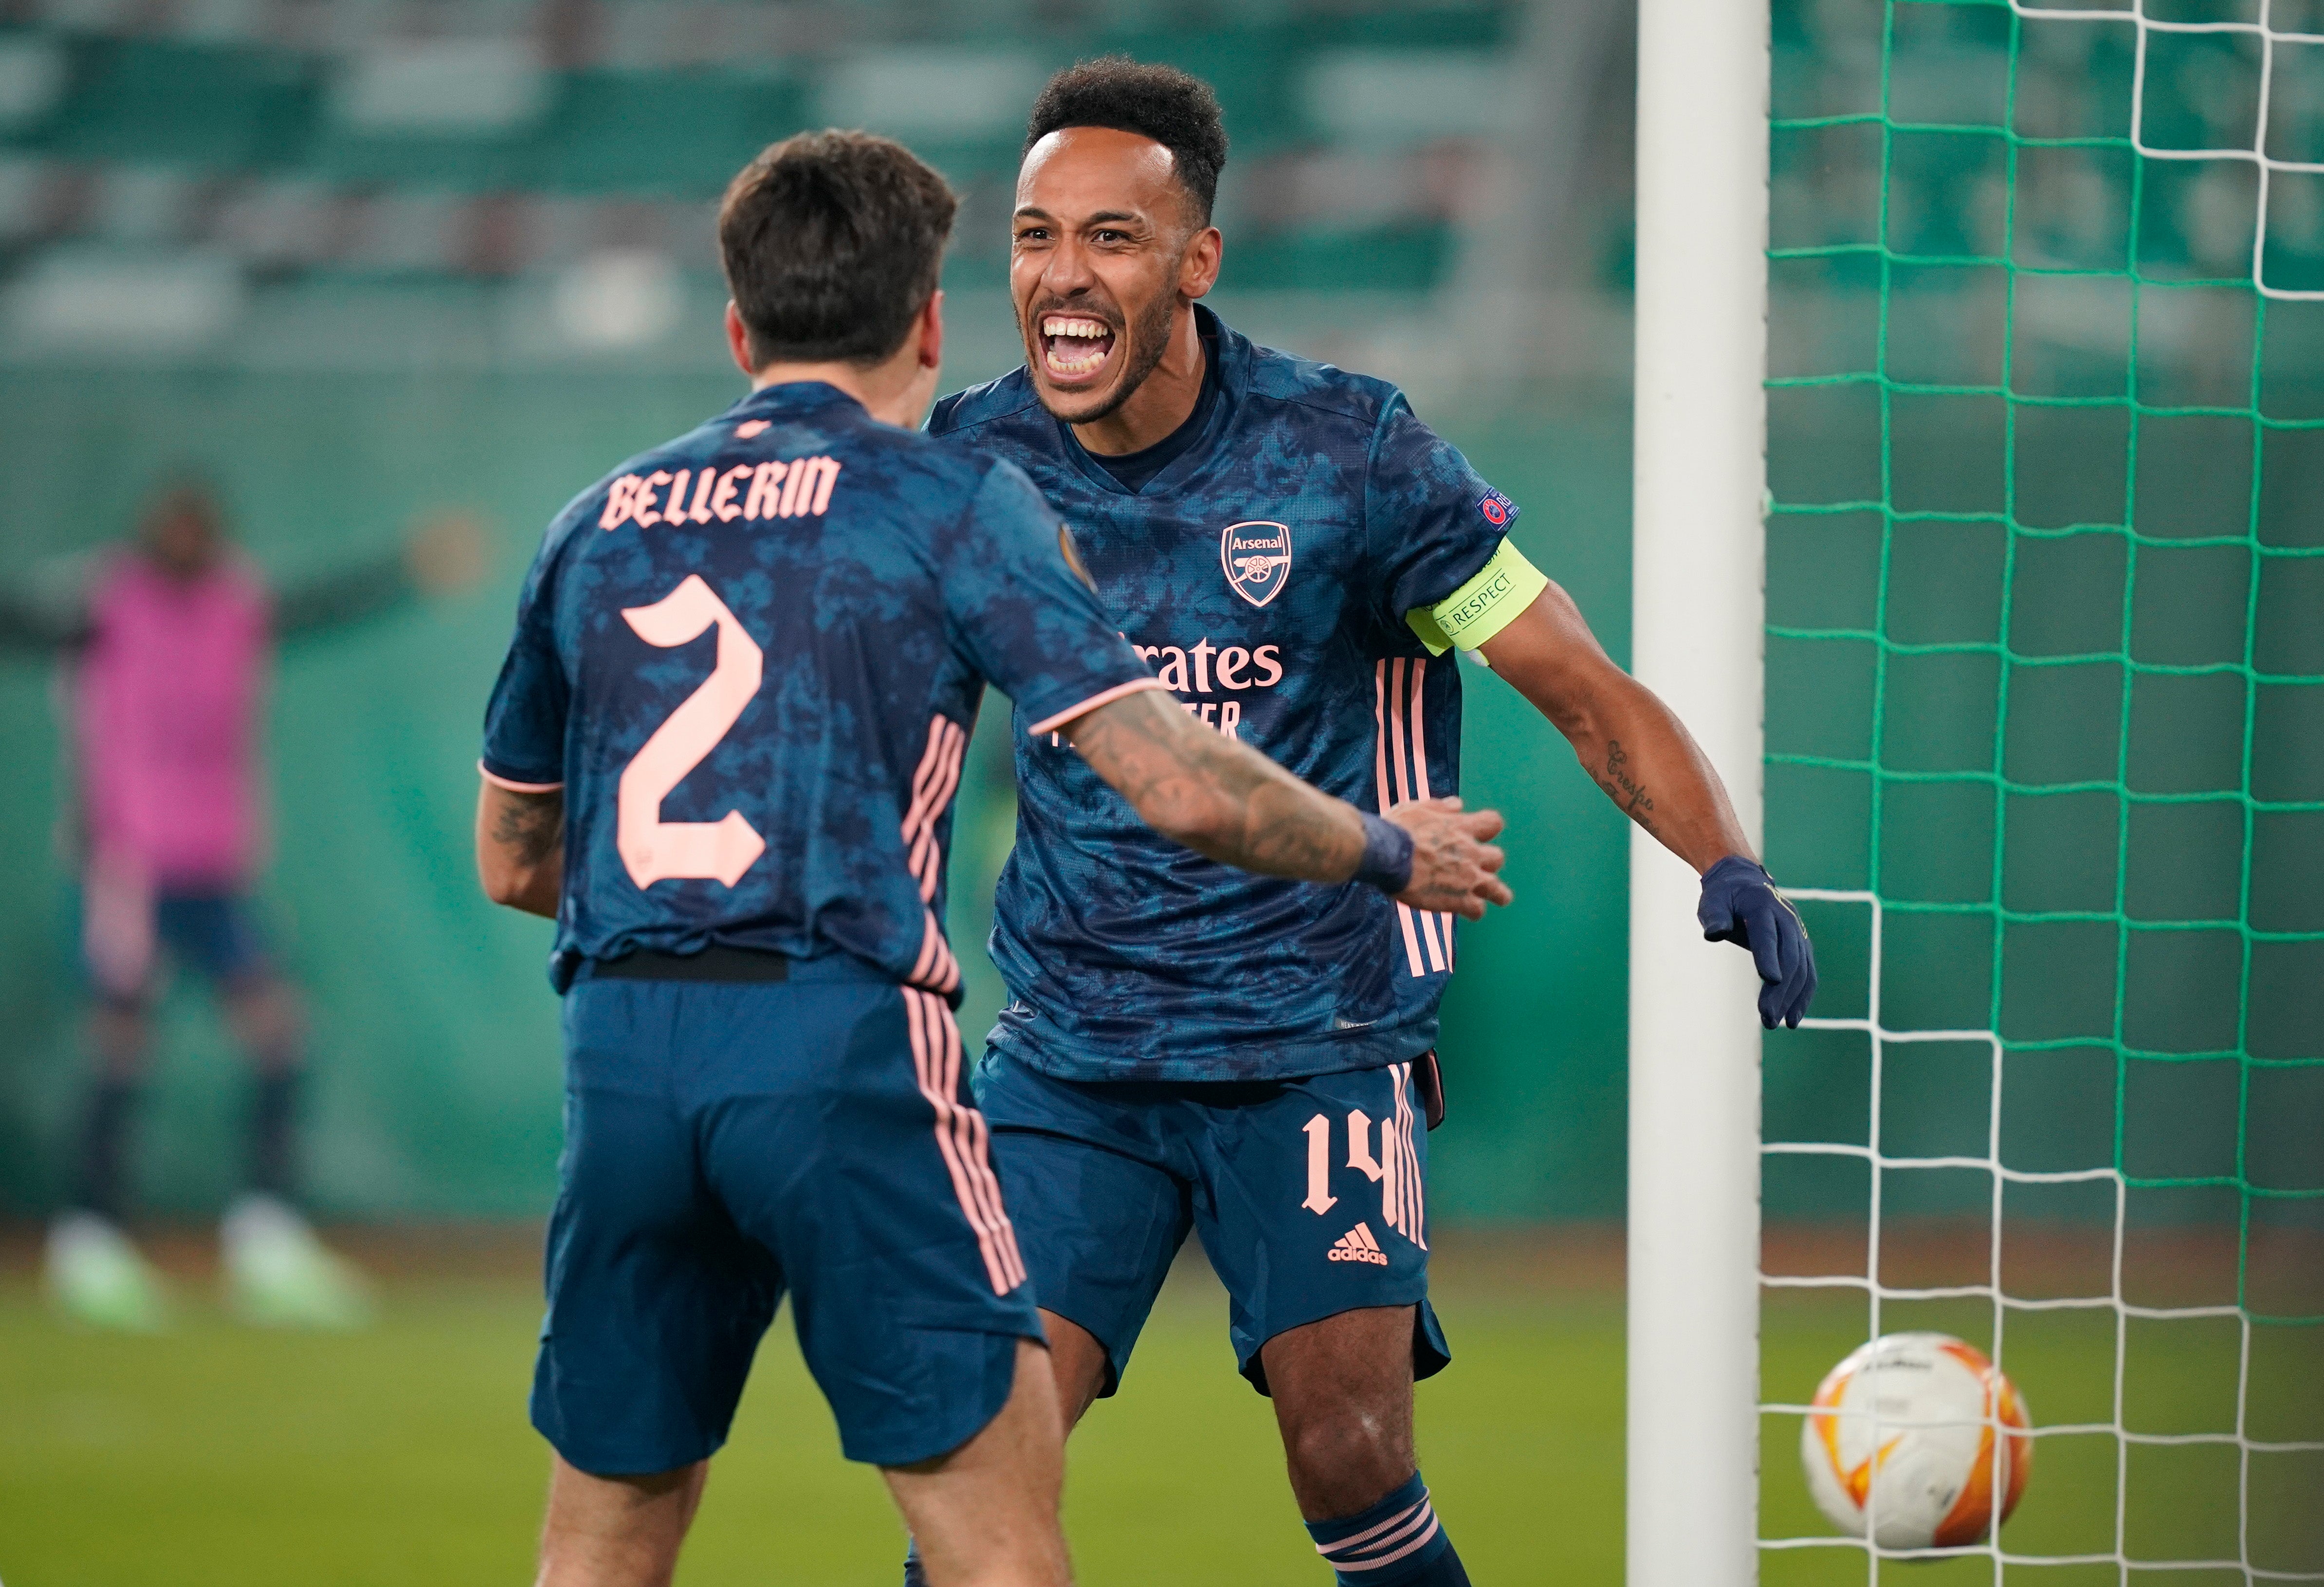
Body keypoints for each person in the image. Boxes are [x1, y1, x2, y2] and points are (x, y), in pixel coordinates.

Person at [472, 129, 1508, 1587]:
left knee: (600, 1537)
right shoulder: (950, 497)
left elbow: (514, 858)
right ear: (928, 319)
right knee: (993, 1529)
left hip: (626, 1052)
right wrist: (1387, 848)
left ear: (733, 323)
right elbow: (1175, 782)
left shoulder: (597, 521)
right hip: (839, 1039)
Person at [919, 59, 1819, 1587]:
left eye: (1111, 240)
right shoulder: (970, 460)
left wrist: (1723, 856)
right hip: (1073, 1056)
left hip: (1317, 1040)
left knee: (1352, 1466)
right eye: (1032, 235)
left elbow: (1577, 680)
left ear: (1197, 261)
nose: (1062, 276)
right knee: (981, 1462)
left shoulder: (1352, 458)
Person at [0, 478, 481, 1331]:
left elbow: (321, 605)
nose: (187, 542)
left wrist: (406, 571)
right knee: (118, 1047)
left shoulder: (236, 608)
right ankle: (90, 1243)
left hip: (217, 873)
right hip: (132, 872)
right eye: (174, 530)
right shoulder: (105, 610)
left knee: (279, 1038)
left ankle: (265, 1237)